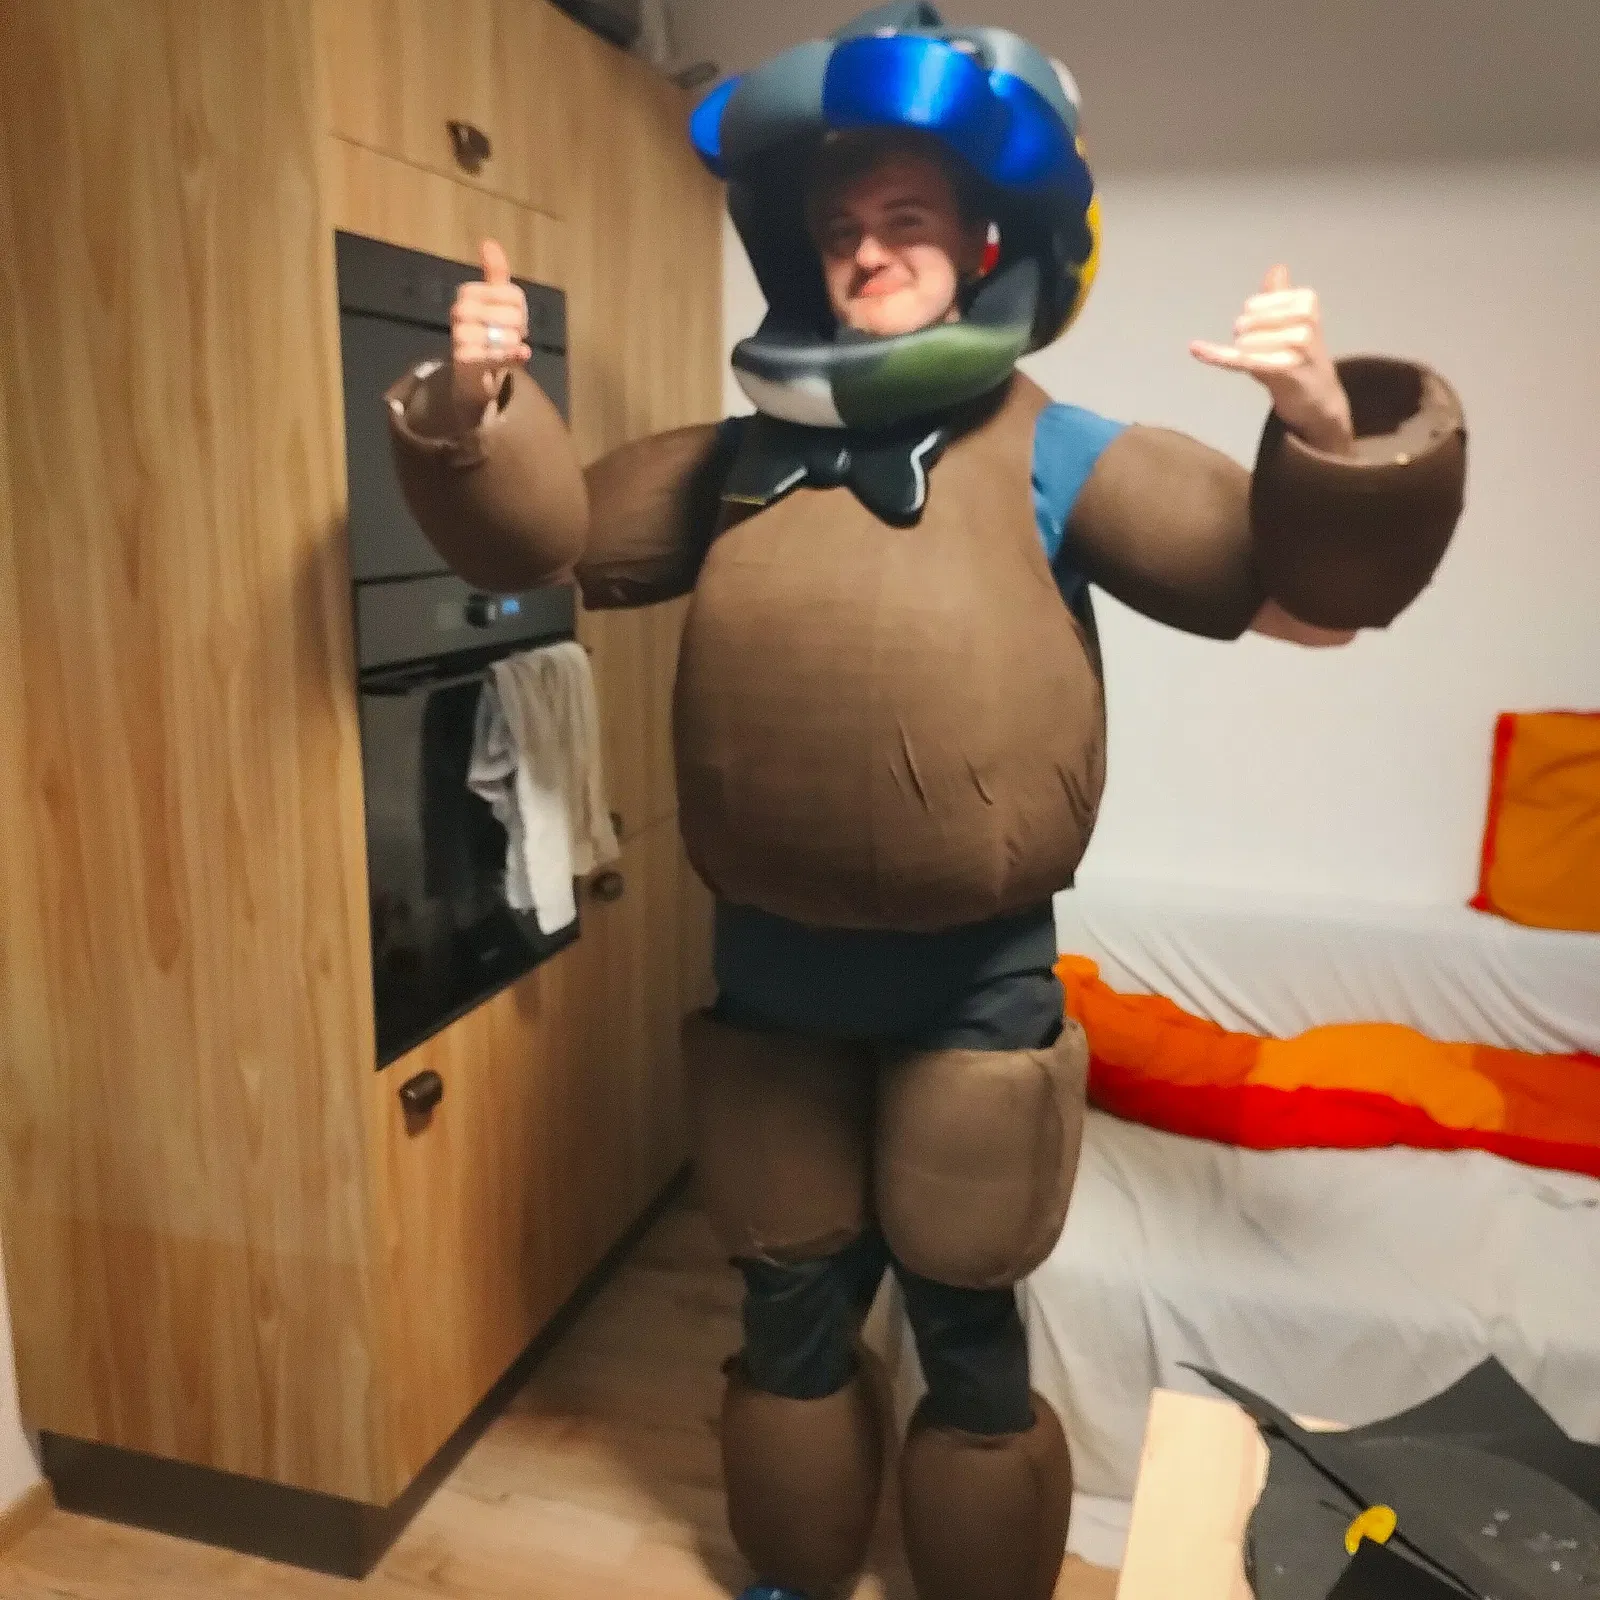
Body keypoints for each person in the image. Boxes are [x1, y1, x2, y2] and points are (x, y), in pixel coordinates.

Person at [384, 8, 1467, 1600]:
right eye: (841, 229)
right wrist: (482, 408)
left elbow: (1299, 599)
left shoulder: (1056, 453)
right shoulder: (733, 462)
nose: (870, 251)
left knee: (966, 1317)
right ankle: (796, 1567)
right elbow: (545, 544)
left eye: (905, 220)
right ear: (805, 258)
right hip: (772, 981)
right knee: (788, 1302)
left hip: (977, 993)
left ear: (980, 244)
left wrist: (1320, 431)